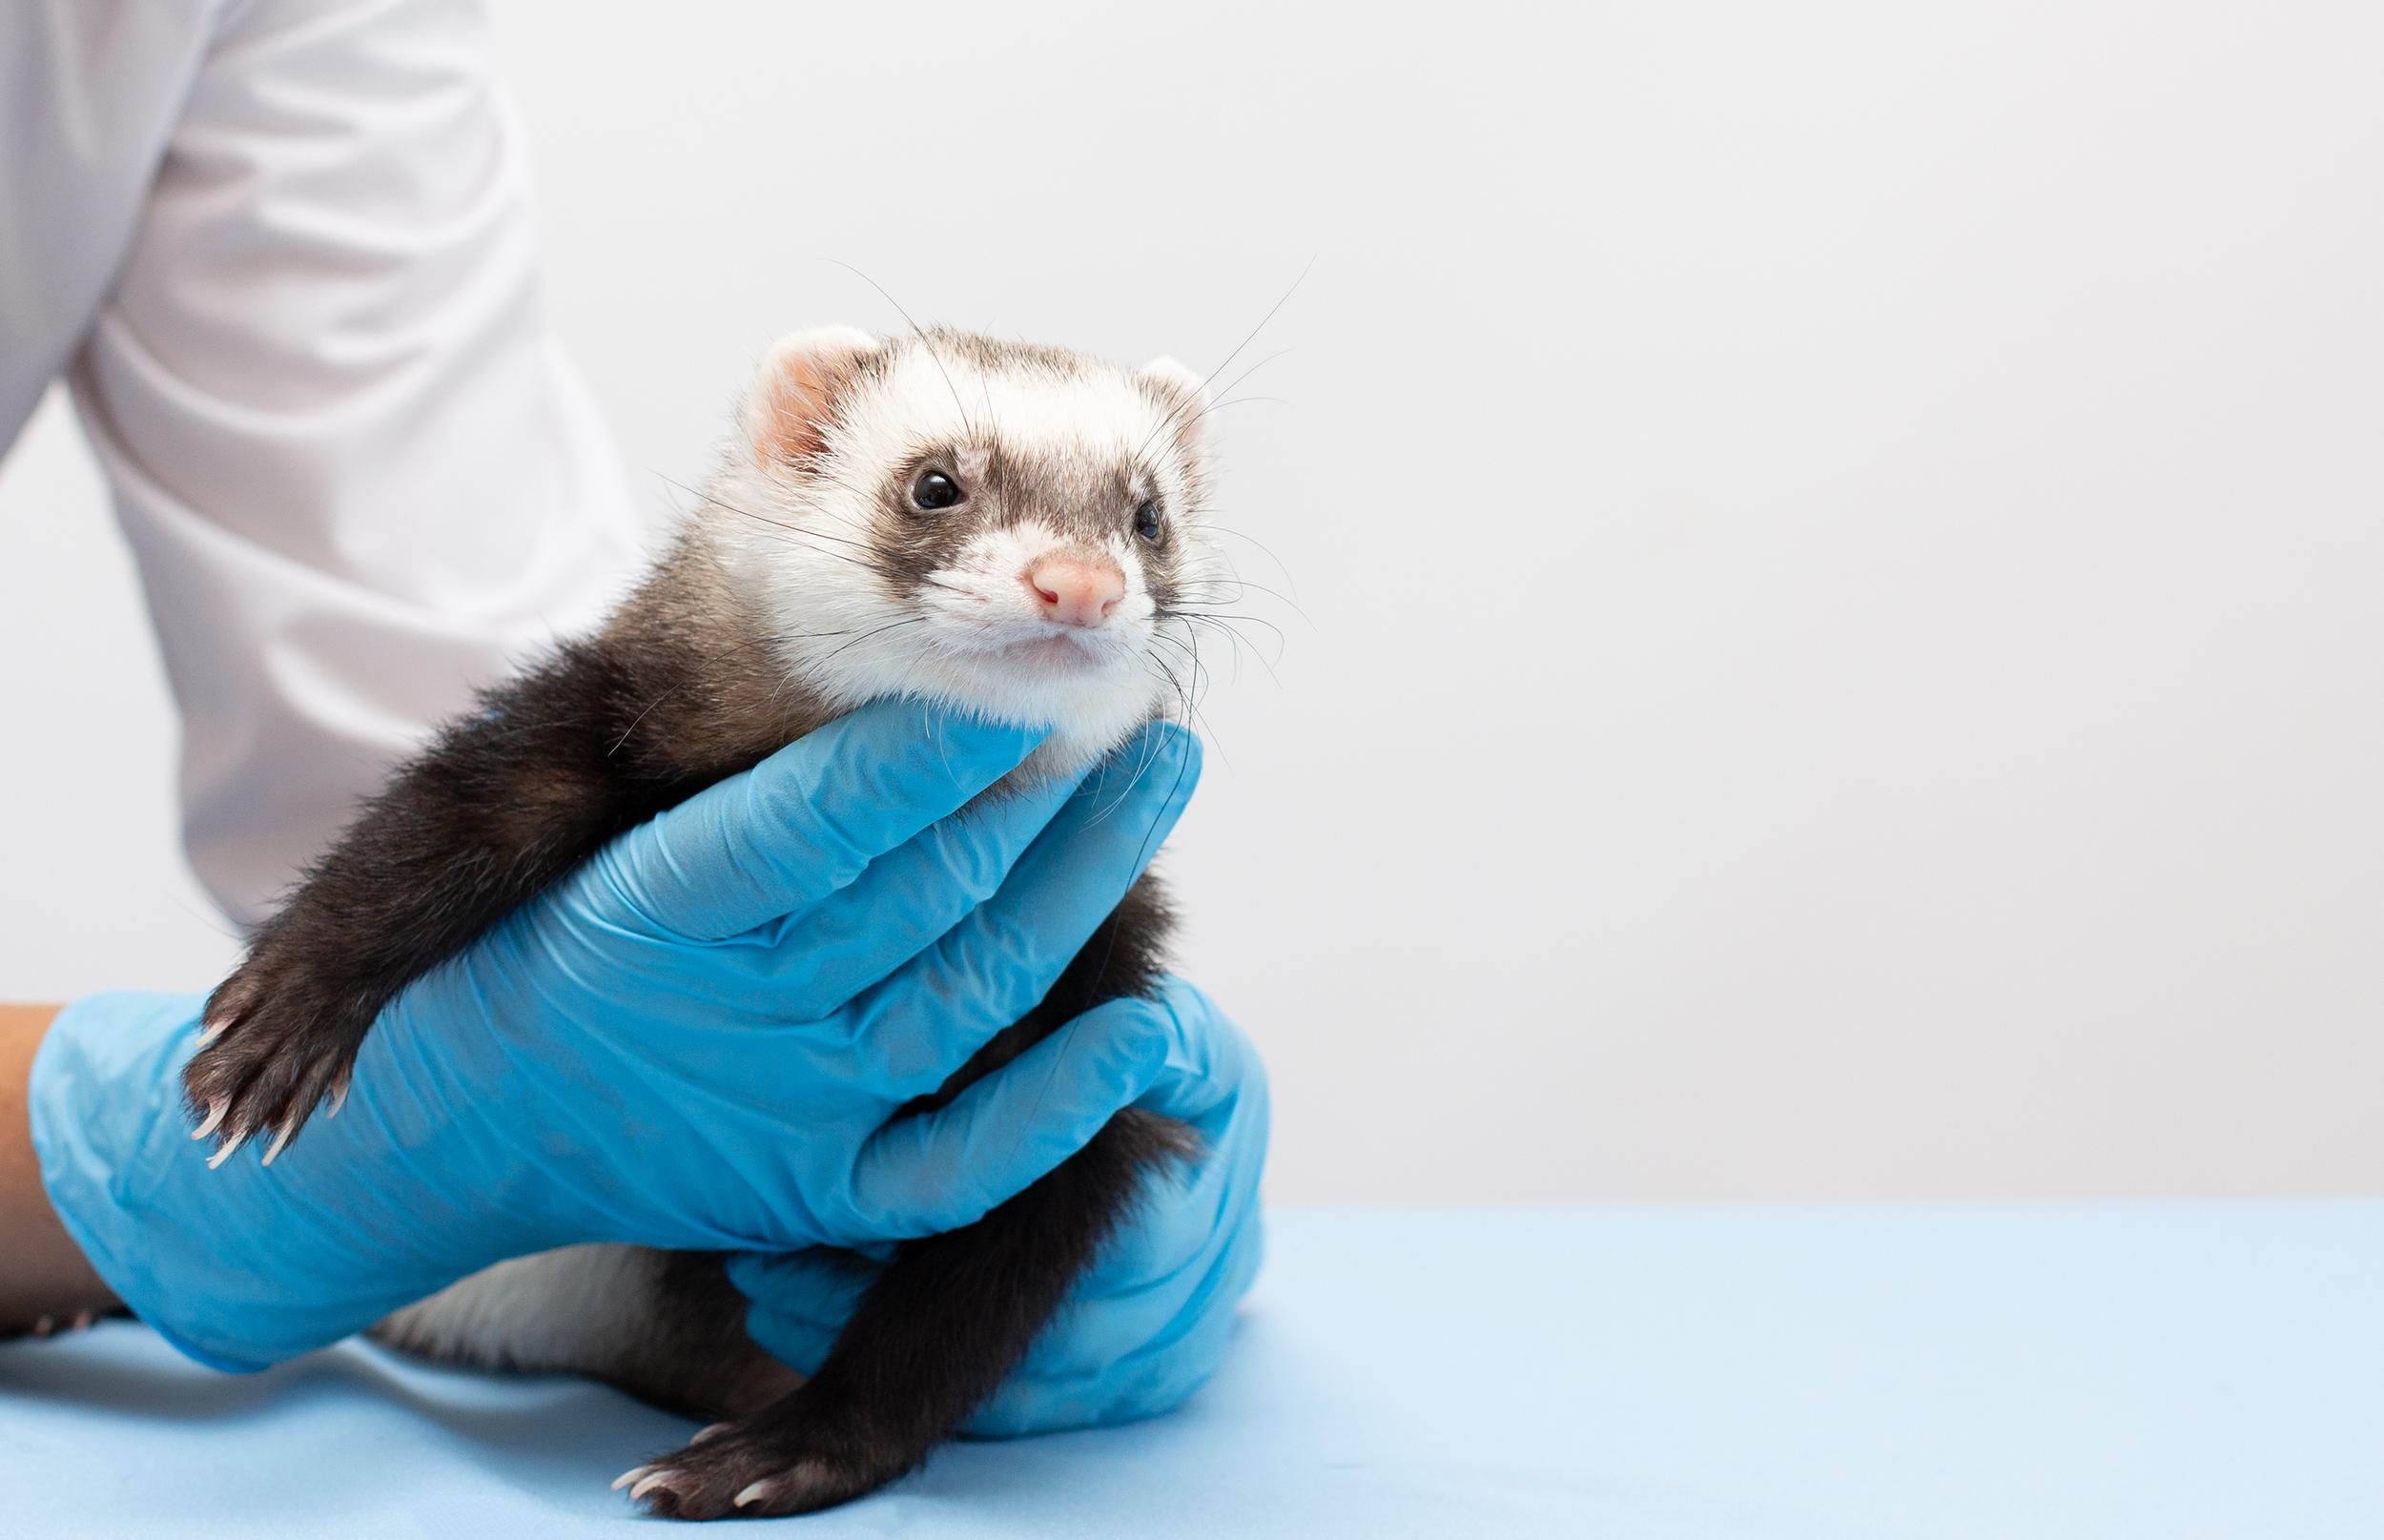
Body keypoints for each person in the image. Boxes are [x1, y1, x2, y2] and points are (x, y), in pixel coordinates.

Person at [0, 0, 1266, 1441]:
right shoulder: (644, 714)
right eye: (938, 492)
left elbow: (390, 680)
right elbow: (467, 819)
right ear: (797, 448)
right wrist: (302, 1052)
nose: (1078, 575)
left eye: (1141, 521)